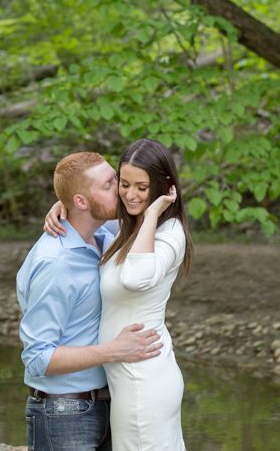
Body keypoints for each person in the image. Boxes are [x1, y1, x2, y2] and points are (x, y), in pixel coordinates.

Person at [44, 139, 193, 451]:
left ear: (164, 187)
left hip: (143, 382)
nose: (131, 194)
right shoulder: (130, 227)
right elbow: (91, 220)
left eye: (142, 187)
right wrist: (66, 205)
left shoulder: (169, 232)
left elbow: (135, 277)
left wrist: (154, 213)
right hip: (126, 379)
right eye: (124, 184)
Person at [17, 151, 164, 451]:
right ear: (82, 202)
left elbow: (140, 208)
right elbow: (37, 359)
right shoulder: (56, 263)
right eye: (110, 185)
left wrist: (66, 203)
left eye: (117, 181)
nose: (122, 190)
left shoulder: (102, 236)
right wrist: (115, 350)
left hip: (104, 406)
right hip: (63, 416)